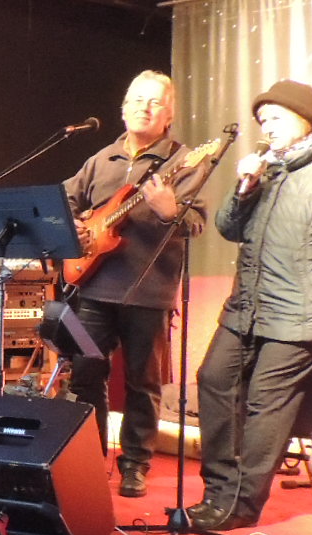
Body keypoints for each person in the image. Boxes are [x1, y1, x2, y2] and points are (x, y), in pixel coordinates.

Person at [191, 80, 312, 530]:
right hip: (248, 307)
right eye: (263, 120)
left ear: (305, 120)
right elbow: (228, 228)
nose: (267, 127)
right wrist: (245, 187)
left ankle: (240, 506)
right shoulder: (268, 171)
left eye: (276, 118)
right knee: (214, 378)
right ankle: (218, 492)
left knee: (266, 401)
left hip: (304, 314)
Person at [62, 70, 211, 497]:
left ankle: (135, 465)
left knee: (142, 385)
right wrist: (77, 225)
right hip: (94, 286)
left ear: (169, 116)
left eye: (155, 102)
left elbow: (196, 223)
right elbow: (65, 199)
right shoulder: (102, 159)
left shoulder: (185, 161)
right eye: (137, 100)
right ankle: (89, 458)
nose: (145, 108)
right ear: (123, 109)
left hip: (149, 292)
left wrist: (169, 211)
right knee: (85, 376)